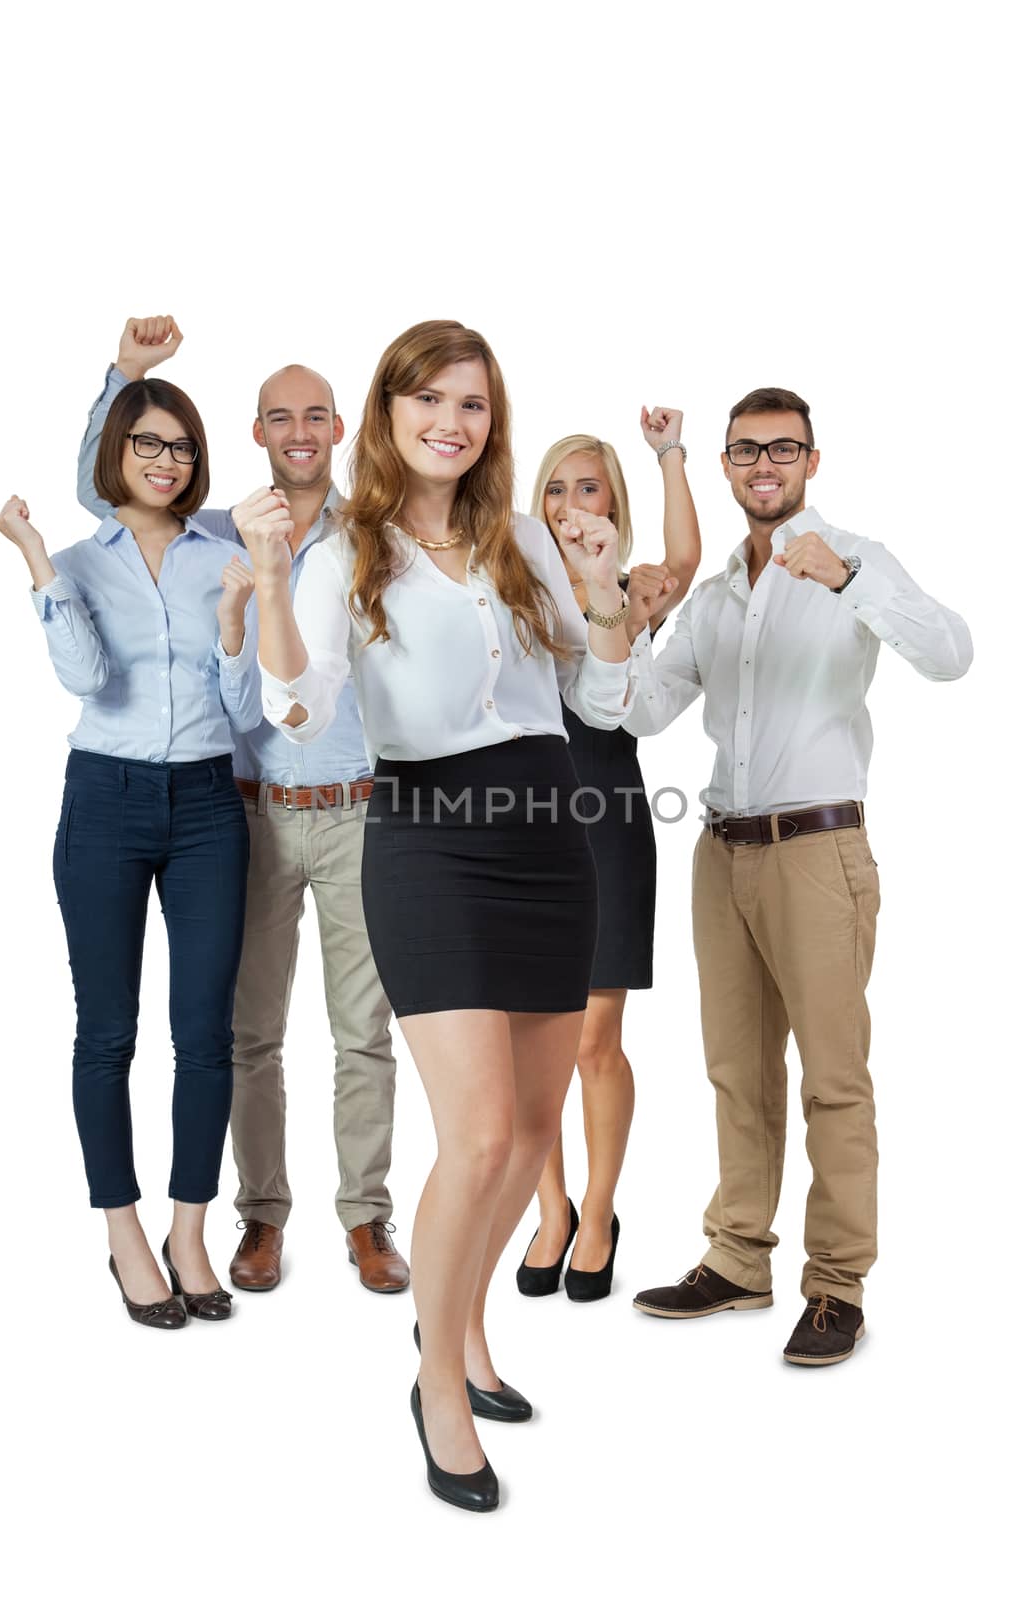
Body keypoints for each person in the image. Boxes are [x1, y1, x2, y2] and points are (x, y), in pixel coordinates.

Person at [235, 319, 635, 1511]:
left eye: (470, 405)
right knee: (472, 1139)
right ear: (388, 412)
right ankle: (436, 1384)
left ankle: (458, 1333)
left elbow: (604, 695)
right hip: (425, 839)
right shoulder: (346, 546)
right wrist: (265, 579)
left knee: (523, 1134)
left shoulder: (519, 539)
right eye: (427, 401)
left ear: (488, 422)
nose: (449, 423)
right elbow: (295, 706)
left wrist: (607, 583)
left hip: (546, 836)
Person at [626, 386, 973, 1364]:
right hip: (719, 851)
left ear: (811, 461)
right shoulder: (714, 598)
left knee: (830, 1076)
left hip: (818, 854)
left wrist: (850, 576)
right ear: (726, 466)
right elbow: (640, 713)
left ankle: (834, 1284)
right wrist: (629, 624)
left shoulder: (848, 558)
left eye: (783, 449)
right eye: (744, 451)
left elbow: (951, 655)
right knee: (735, 1072)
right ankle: (736, 1260)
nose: (763, 465)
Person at [76, 317, 408, 1295]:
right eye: (279, 417)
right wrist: (122, 379)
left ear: (339, 427)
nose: (298, 431)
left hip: (356, 809)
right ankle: (259, 1215)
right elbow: (98, 491)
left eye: (314, 415)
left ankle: (366, 1216)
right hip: (243, 813)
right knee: (246, 1031)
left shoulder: (373, 537)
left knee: (363, 1030)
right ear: (256, 432)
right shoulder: (208, 532)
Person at [0, 376, 262, 1328]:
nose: (165, 460)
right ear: (115, 452)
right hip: (103, 802)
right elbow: (86, 679)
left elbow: (245, 712)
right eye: (147, 443)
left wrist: (235, 624)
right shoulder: (74, 558)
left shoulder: (225, 553)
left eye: (181, 447)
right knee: (106, 1032)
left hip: (204, 802)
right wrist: (35, 558)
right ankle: (123, 1231)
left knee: (204, 1033)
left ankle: (190, 1232)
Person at [516, 411, 700, 1300]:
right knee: (528, 1039)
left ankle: (596, 1211)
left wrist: (669, 457)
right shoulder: (506, 579)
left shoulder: (630, 588)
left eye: (586, 486)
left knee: (592, 1037)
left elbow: (688, 556)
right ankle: (545, 1209)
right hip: (515, 817)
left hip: (606, 814)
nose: (567, 502)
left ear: (611, 503)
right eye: (553, 487)